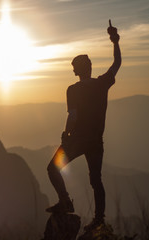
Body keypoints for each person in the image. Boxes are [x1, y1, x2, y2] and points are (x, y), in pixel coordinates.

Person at [46, 20, 121, 230]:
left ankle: (65, 201)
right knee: (96, 180)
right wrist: (115, 41)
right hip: (96, 141)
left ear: (77, 70)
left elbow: (73, 116)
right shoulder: (102, 83)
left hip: (77, 140)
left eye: (73, 68)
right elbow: (117, 63)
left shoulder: (73, 90)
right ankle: (99, 219)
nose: (73, 71)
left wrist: (65, 134)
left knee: (53, 169)